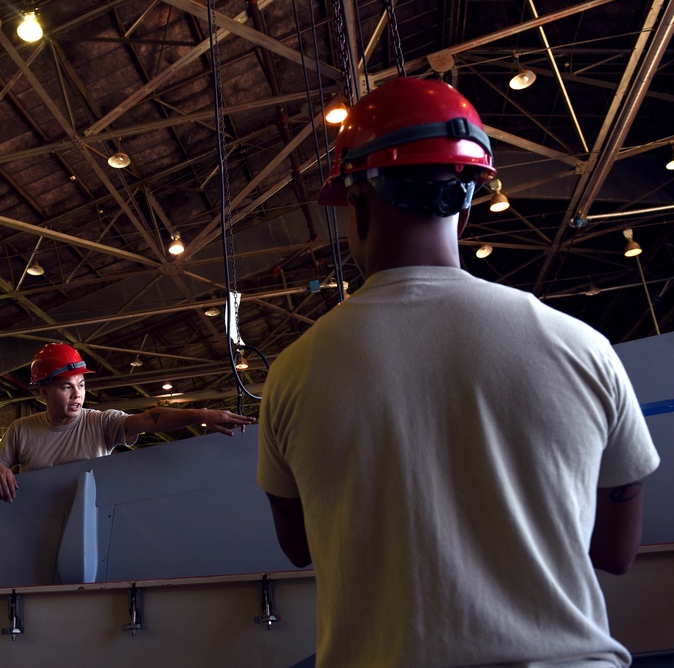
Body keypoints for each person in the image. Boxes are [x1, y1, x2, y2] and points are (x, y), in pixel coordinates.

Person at [257, 77, 660, 667]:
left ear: (359, 200)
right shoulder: (583, 347)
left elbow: (298, 548)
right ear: (465, 204)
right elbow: (617, 553)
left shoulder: (294, 373)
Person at [0, 342, 256, 501]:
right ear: (43, 390)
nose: (77, 394)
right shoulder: (22, 430)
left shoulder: (100, 423)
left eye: (81, 385)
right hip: (31, 523)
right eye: (66, 387)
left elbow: (151, 420)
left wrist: (201, 415)